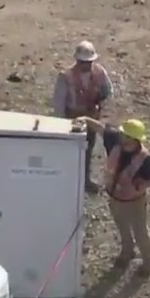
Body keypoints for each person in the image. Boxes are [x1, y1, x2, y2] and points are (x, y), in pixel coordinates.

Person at [72, 117, 150, 276]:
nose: (120, 136)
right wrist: (84, 119)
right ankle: (127, 251)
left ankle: (148, 262)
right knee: (122, 226)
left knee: (140, 231)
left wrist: (139, 186)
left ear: (133, 139)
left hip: (135, 202)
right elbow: (100, 128)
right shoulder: (114, 141)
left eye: (124, 134)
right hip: (115, 197)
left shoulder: (146, 159)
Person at [52, 41, 113, 193]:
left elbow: (108, 90)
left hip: (91, 118)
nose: (86, 65)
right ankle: (68, 180)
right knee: (70, 152)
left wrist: (102, 99)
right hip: (72, 120)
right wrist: (61, 124)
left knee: (87, 149)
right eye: (83, 62)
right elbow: (59, 102)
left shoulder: (99, 72)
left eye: (88, 62)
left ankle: (85, 180)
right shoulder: (66, 76)